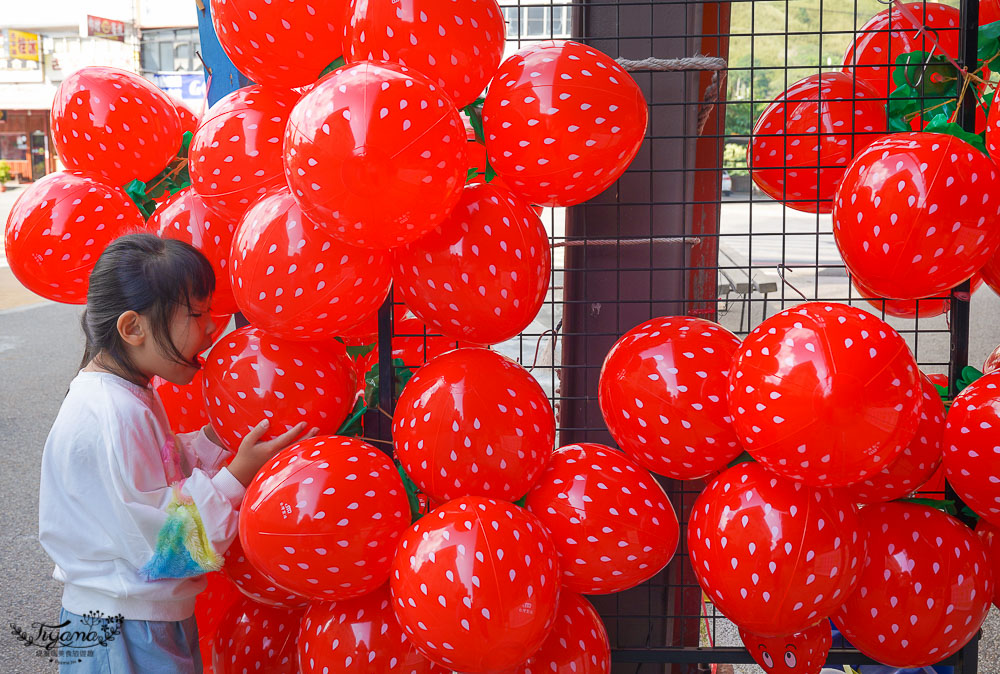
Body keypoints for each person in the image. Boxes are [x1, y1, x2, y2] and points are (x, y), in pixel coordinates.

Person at [38, 233, 316, 673]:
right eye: (197, 314)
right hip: (125, 628)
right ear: (133, 328)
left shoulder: (125, 395)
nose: (211, 327)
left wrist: (212, 439)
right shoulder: (116, 411)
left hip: (134, 615)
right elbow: (163, 545)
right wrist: (236, 476)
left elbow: (157, 474)